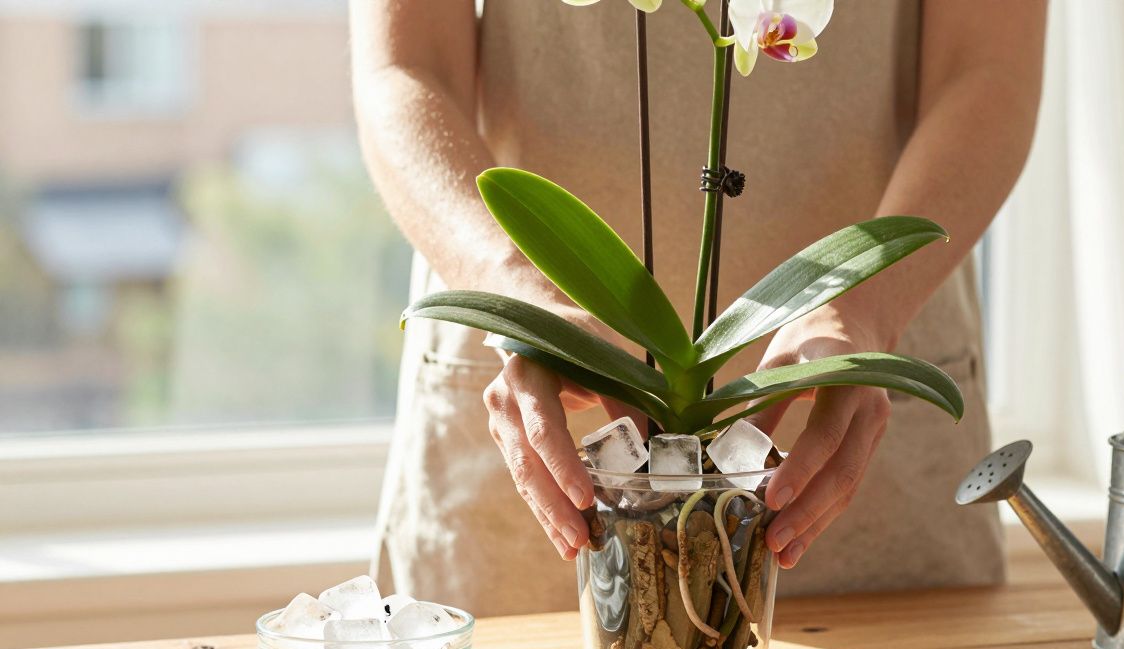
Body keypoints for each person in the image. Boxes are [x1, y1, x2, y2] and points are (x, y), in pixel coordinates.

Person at [350, 0, 1046, 616]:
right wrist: (518, 300)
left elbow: (988, 73)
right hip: (546, 402)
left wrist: (864, 306)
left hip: (843, 401)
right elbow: (403, 70)